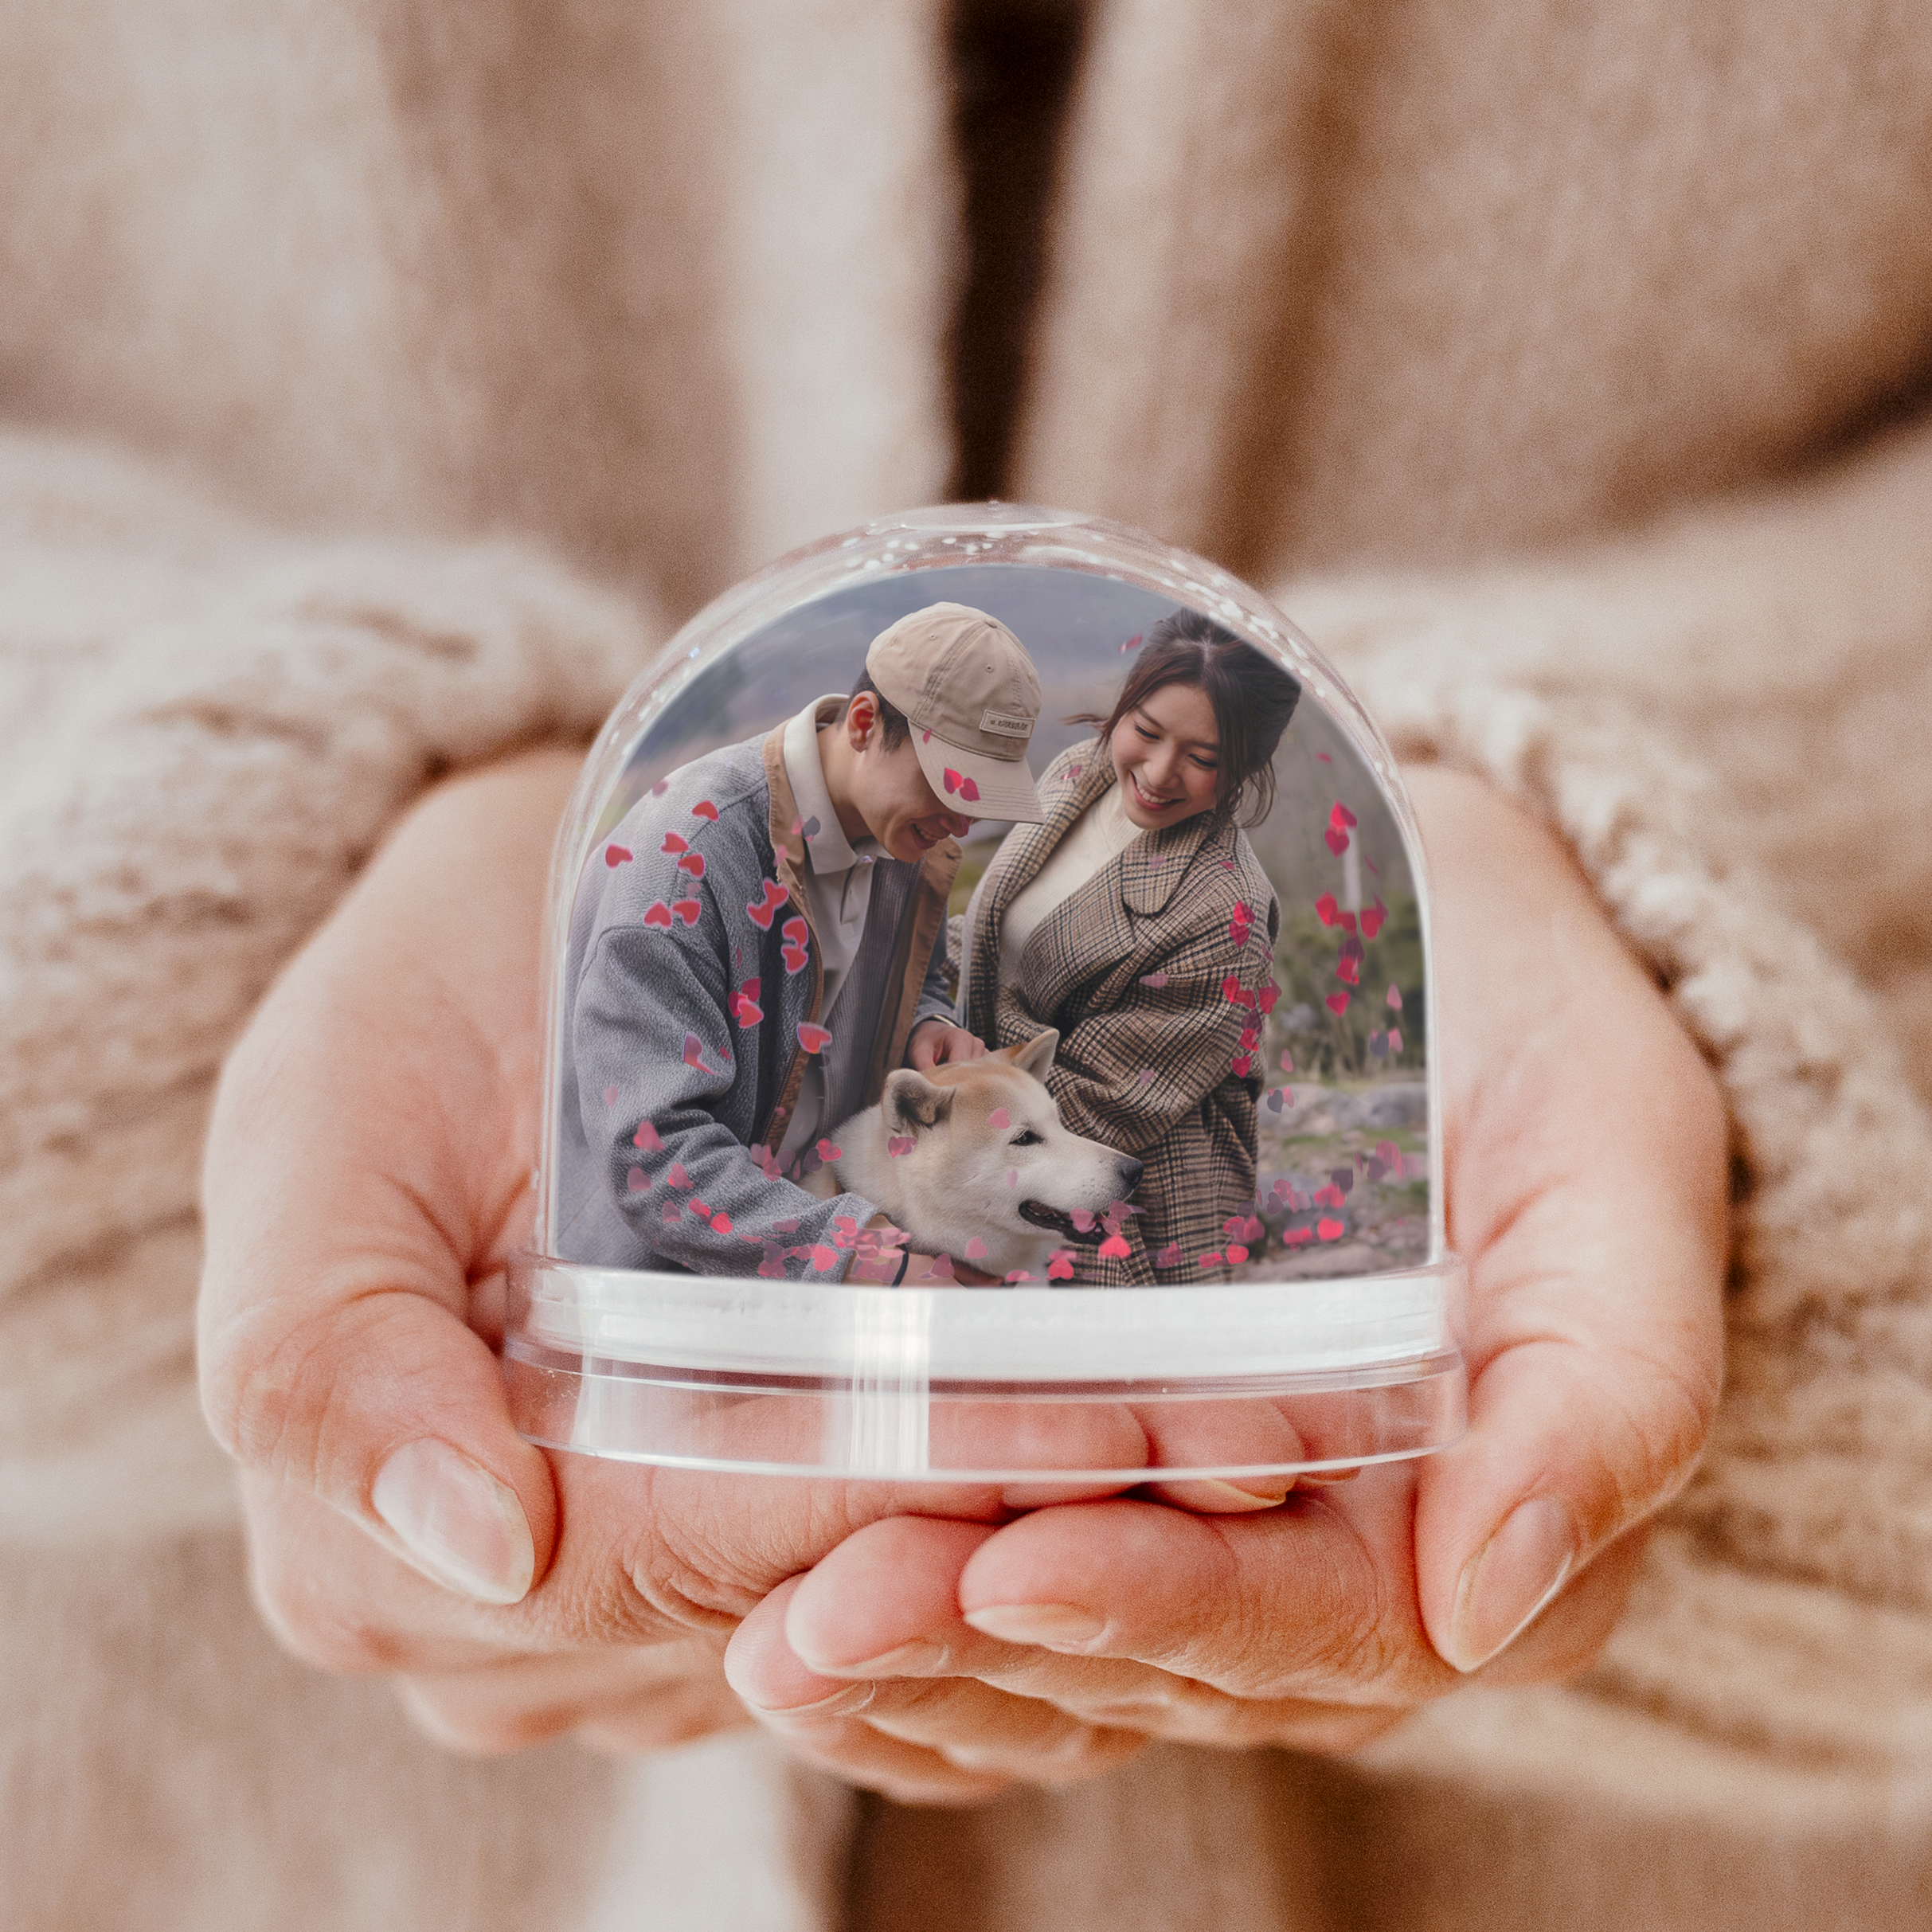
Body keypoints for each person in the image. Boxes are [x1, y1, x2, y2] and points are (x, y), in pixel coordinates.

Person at [8, 4, 1931, 1929]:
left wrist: (1645, 920)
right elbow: (739, 1128)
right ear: (857, 724)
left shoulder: (975, 870)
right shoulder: (744, 861)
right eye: (940, 801)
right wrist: (250, 938)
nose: (960, 841)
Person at [557, 599, 1038, 1284]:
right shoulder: (681, 867)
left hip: (817, 1284)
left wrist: (926, 1018)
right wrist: (858, 1251)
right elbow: (654, 1154)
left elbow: (911, 970)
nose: (961, 820)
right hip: (663, 1302)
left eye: (984, 797)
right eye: (951, 783)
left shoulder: (903, 835)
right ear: (867, 724)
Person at [956, 607, 1301, 1282]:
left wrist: (941, 1106)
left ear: (1243, 767)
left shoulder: (1223, 914)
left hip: (1124, 1205)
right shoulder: (1074, 777)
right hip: (1005, 1155)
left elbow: (1103, 1103)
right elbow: (990, 935)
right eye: (1145, 731)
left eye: (1202, 759)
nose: (1159, 772)